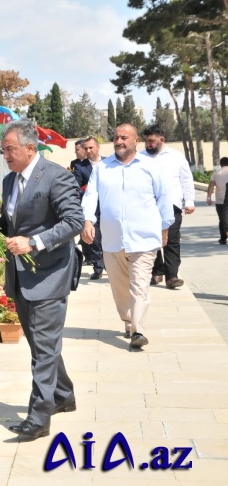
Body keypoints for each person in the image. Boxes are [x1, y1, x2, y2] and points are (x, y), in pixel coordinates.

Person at [0, 119, 84, 440]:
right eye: (3, 151)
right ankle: (63, 395)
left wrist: (33, 243)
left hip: (50, 274)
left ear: (30, 148)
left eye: (10, 150)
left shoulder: (56, 177)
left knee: (43, 349)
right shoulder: (9, 181)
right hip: (20, 277)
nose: (5, 155)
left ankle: (39, 417)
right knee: (39, 344)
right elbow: (12, 221)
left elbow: (74, 221)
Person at [82, 124, 174, 349]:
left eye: (124, 137)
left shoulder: (151, 166)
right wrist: (87, 220)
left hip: (143, 238)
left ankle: (138, 330)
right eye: (116, 138)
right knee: (119, 287)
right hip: (113, 239)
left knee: (140, 285)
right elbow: (91, 195)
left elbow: (164, 197)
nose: (119, 141)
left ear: (136, 141)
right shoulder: (102, 168)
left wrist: (165, 229)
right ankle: (128, 320)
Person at [141, 124, 195, 289]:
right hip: (149, 205)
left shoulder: (176, 156)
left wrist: (190, 202)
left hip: (172, 205)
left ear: (161, 140)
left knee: (171, 240)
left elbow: (186, 179)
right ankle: (157, 271)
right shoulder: (141, 157)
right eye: (146, 141)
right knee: (152, 239)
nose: (148, 144)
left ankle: (172, 276)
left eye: (151, 141)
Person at [82, 137, 106, 280]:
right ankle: (98, 267)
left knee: (108, 237)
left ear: (98, 147)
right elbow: (77, 185)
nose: (88, 151)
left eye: (91, 147)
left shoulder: (109, 163)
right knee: (94, 239)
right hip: (91, 207)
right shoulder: (80, 166)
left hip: (107, 206)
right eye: (86, 148)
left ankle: (109, 263)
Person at [207, 157, 228, 244]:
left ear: (220, 164)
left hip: (220, 200)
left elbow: (211, 185)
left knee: (222, 219)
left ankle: (223, 239)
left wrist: (209, 197)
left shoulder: (216, 173)